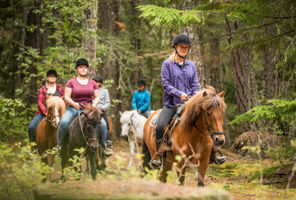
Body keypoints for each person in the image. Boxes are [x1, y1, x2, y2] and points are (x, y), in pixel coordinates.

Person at [152, 34, 226, 168]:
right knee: (160, 126)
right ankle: (159, 155)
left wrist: (192, 97)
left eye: (186, 47)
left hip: (189, 104)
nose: (184, 49)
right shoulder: (167, 64)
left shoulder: (191, 65)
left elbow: (195, 85)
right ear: (175, 47)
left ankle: (213, 153)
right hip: (171, 104)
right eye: (182, 47)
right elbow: (166, 84)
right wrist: (179, 94)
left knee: (207, 121)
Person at [56, 58, 100, 151]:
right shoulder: (71, 82)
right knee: (63, 122)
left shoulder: (93, 83)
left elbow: (97, 97)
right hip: (74, 108)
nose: (83, 69)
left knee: (102, 123)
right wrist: (73, 103)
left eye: (85, 67)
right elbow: (66, 96)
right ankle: (59, 144)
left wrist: (94, 106)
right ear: (77, 69)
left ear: (87, 69)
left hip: (89, 110)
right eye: (81, 67)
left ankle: (105, 145)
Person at [28, 69, 64, 151]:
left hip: (57, 114)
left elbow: (63, 100)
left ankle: (62, 145)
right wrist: (45, 111)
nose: (52, 78)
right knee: (31, 127)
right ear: (47, 78)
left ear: (56, 78)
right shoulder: (43, 89)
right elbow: (40, 102)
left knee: (66, 125)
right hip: (43, 113)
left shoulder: (60, 89)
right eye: (50, 76)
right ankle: (33, 146)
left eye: (53, 76)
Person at [92, 75, 113, 156]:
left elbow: (108, 102)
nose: (97, 84)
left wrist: (102, 108)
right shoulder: (90, 90)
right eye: (95, 82)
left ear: (101, 83)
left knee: (104, 124)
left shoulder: (105, 91)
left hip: (101, 111)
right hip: (92, 111)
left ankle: (105, 143)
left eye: (98, 82)